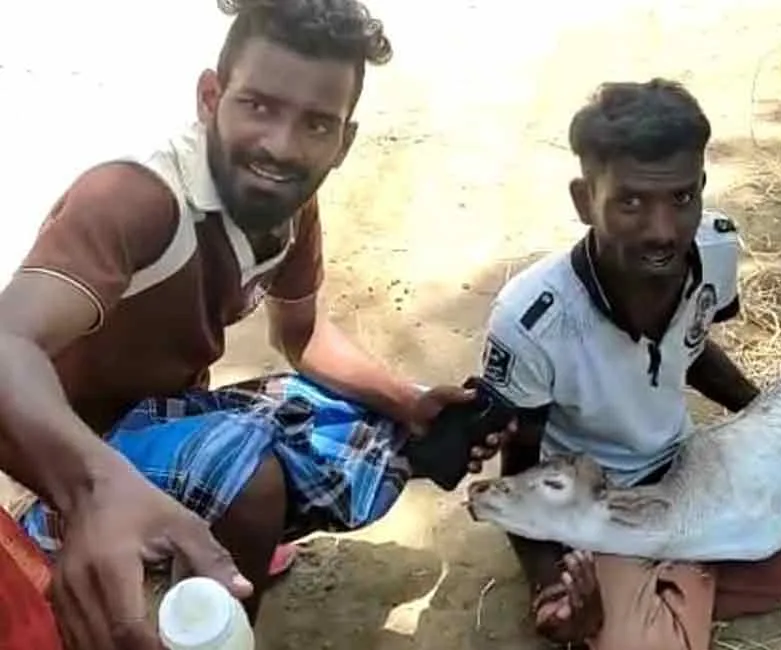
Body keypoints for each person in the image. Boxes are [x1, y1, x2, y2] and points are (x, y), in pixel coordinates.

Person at [0, 1, 513, 648]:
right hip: (70, 444)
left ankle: (224, 569)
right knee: (250, 479)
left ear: (345, 139)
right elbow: (5, 341)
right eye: (260, 106)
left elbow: (301, 335)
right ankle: (205, 601)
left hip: (171, 412)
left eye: (317, 124)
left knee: (378, 434)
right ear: (211, 97)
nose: (282, 147)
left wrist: (408, 403)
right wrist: (92, 488)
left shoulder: (288, 204)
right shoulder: (137, 201)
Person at [480, 78, 781, 650]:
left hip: (690, 464)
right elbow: (519, 470)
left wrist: (768, 425)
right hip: (603, 504)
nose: (662, 231)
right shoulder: (531, 321)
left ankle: (673, 583)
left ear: (700, 186)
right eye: (630, 202)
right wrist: (551, 593)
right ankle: (658, 584)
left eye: (681, 198)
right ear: (584, 200)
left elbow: (692, 347)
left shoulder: (716, 246)